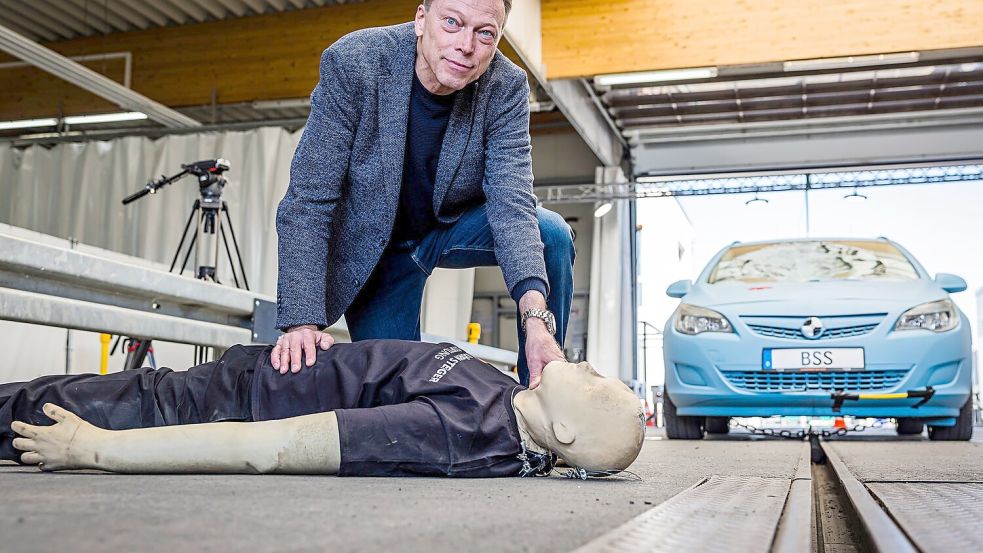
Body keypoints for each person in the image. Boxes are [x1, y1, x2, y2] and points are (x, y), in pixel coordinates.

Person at [274, 0, 574, 388]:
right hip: (376, 253)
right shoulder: (355, 62)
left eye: (485, 33)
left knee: (550, 233)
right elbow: (309, 199)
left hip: (449, 228)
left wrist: (536, 319)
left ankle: (542, 386)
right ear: (421, 19)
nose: (467, 45)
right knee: (395, 392)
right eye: (452, 22)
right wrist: (301, 322)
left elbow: (512, 202)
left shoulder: (506, 85)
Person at [2, 341, 644, 477]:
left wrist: (94, 450)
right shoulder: (505, 403)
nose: (589, 366)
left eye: (596, 384)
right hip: (251, 374)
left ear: (563, 430)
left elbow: (266, 447)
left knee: (39, 408)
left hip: (229, 404)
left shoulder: (456, 430)